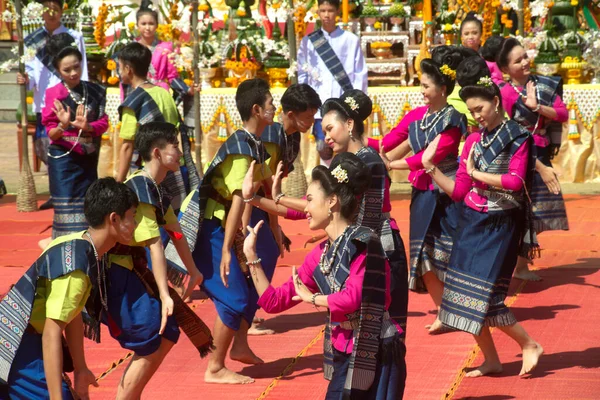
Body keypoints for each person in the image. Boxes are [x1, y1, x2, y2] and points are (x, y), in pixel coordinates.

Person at [242, 153, 405, 399]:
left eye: (309, 199)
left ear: (331, 202)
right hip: (344, 350)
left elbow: (353, 298)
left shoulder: (365, 243)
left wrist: (313, 299)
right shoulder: (320, 255)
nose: (305, 208)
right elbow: (272, 302)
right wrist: (251, 256)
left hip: (377, 352)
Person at [422, 58, 543, 377]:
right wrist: (430, 166)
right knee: (460, 295)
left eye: (480, 109)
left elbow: (515, 182)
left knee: (485, 298)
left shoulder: (517, 136)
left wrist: (478, 174)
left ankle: (529, 344)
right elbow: (460, 191)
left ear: (495, 102)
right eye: (471, 111)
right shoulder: (474, 140)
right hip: (472, 223)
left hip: (500, 225)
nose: (476, 116)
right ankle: (492, 359)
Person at [165, 78, 276, 384]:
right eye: (270, 103)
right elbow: (239, 200)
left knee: (260, 265)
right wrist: (228, 250)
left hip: (220, 223)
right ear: (256, 109)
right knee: (234, 296)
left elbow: (259, 193)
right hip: (207, 227)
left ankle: (238, 345)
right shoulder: (243, 150)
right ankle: (214, 367)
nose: (274, 108)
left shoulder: (253, 142)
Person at [0, 177, 138, 399]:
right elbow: (52, 332)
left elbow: (71, 314)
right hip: (16, 344)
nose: (136, 224)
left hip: (22, 338)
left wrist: (81, 368)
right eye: (132, 217)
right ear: (114, 219)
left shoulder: (78, 243)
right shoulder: (76, 267)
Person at [105, 122, 208, 399]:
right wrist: (165, 295)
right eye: (174, 146)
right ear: (157, 153)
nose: (180, 151)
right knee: (156, 336)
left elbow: (175, 233)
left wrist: (194, 271)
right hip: (117, 272)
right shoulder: (141, 186)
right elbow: (153, 245)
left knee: (162, 334)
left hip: (129, 270)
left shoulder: (157, 188)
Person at [380, 46, 467, 333]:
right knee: (423, 254)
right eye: (421, 84)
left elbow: (430, 157)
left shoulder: (453, 119)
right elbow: (391, 138)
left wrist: (392, 165)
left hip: (447, 193)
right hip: (422, 194)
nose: (422, 90)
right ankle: (444, 310)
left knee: (453, 252)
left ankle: (465, 307)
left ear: (442, 88)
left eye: (426, 85)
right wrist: (363, 145)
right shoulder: (418, 116)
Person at [248, 83, 322, 335]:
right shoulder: (272, 136)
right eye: (308, 115)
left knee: (266, 252)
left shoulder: (293, 136)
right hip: (251, 202)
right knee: (262, 253)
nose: (312, 121)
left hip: (264, 202)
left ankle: (246, 313)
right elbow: (262, 182)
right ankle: (243, 317)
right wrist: (272, 225)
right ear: (291, 114)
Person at [497, 38, 569, 281]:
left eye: (525, 56)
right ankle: (519, 266)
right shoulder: (505, 93)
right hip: (518, 153)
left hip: (541, 149)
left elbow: (562, 113)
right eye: (518, 60)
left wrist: (537, 106)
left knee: (534, 209)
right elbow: (506, 131)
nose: (525, 62)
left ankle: (521, 264)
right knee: (521, 208)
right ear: (505, 69)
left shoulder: (543, 84)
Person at [17, 0, 88, 211]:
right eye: (47, 10)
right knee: (44, 146)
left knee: (71, 145)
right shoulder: (32, 39)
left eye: (55, 9)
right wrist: (25, 80)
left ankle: (72, 189)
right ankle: (56, 189)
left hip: (69, 98)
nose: (51, 14)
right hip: (44, 101)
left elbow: (81, 69)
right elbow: (30, 74)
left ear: (61, 10)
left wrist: (83, 95)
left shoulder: (74, 37)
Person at [39, 33, 108, 248]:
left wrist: (87, 127)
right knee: (66, 206)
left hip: (89, 158)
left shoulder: (96, 90)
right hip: (63, 159)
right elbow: (51, 134)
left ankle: (86, 246)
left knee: (88, 204)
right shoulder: (54, 93)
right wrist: (64, 125)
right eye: (67, 70)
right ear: (58, 71)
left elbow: (105, 122)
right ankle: (63, 249)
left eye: (76, 67)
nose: (73, 73)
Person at [115, 42, 198, 212]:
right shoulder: (164, 93)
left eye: (120, 67)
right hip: (173, 166)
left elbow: (127, 146)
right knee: (174, 217)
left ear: (128, 69)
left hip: (151, 172)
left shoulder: (133, 103)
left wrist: (119, 182)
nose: (119, 71)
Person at [297, 0, 367, 166]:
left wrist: (355, 104)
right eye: (322, 10)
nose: (326, 15)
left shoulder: (350, 40)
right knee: (324, 148)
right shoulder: (308, 42)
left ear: (337, 12)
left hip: (344, 105)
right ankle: (330, 184)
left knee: (347, 147)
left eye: (330, 10)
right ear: (318, 12)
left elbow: (360, 74)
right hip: (319, 108)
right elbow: (302, 74)